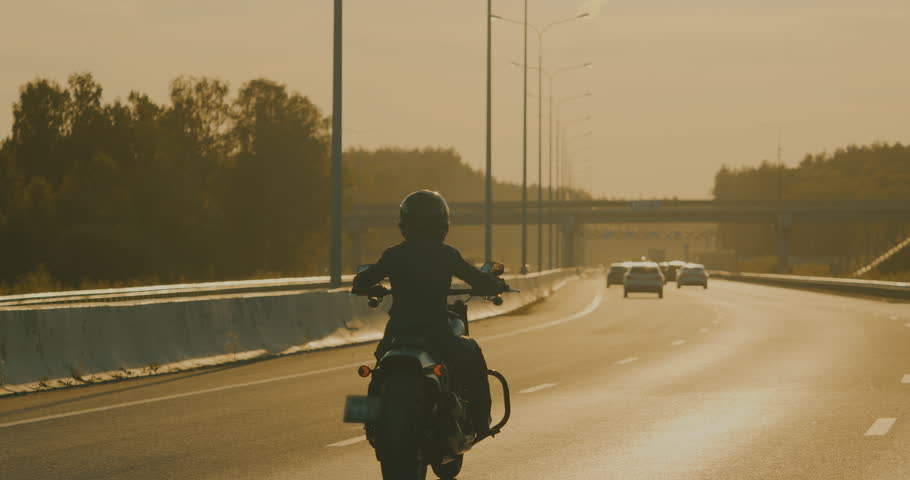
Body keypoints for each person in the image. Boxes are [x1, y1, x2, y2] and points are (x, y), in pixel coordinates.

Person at [353, 189, 504, 438]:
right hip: (436, 328)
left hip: (399, 329)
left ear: (405, 224)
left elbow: (360, 282)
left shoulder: (394, 254)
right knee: (472, 356)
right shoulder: (446, 254)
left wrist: (374, 287)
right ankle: (480, 424)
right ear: (442, 225)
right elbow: (478, 279)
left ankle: (368, 423)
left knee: (379, 370)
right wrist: (494, 284)